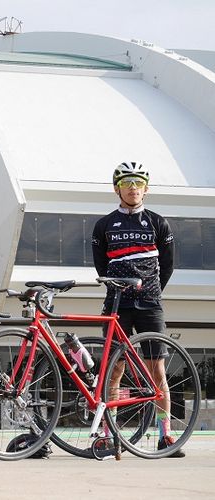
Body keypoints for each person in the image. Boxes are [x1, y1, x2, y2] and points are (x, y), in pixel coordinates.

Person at [91, 161, 183, 457]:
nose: (133, 188)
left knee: (157, 369)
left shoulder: (158, 222)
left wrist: (151, 291)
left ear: (146, 188)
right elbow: (101, 266)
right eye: (127, 183)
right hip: (117, 302)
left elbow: (166, 266)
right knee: (113, 369)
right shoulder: (104, 225)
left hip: (150, 303)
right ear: (117, 188)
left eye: (138, 183)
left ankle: (165, 435)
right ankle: (108, 436)